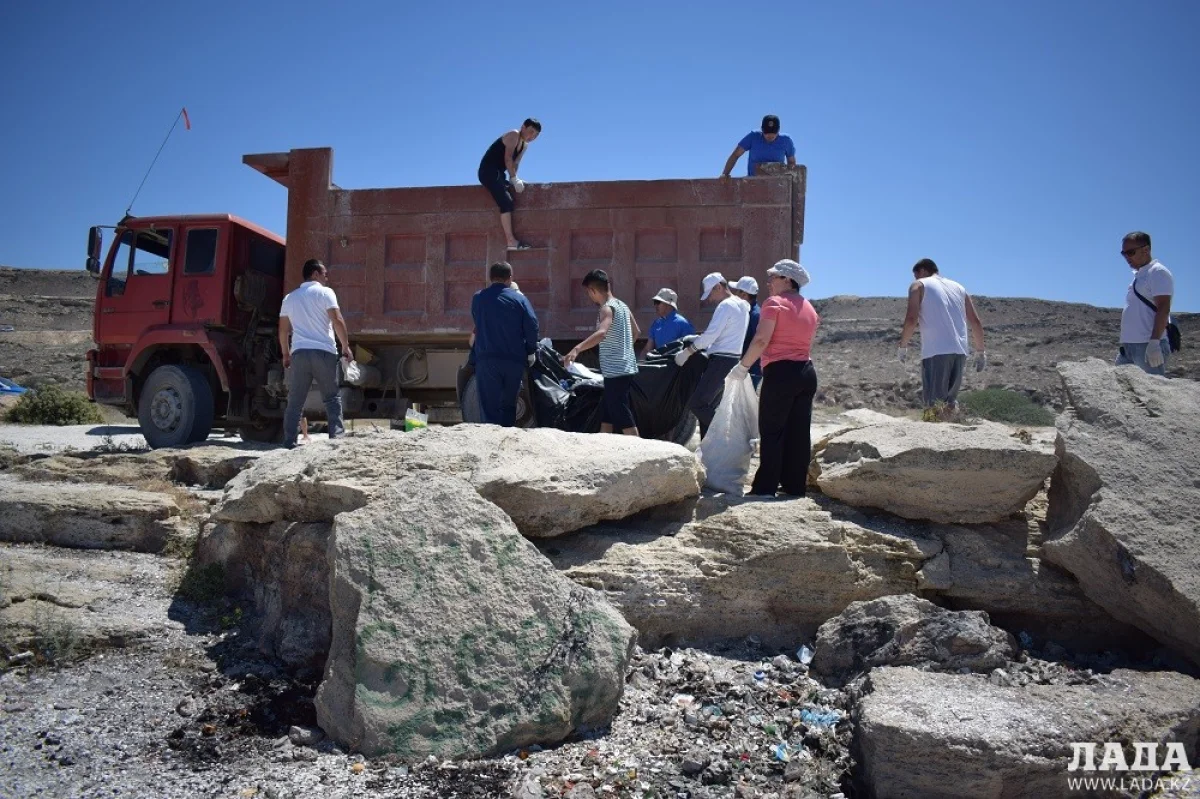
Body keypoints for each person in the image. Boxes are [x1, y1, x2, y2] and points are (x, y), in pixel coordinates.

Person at [736, 259, 820, 497]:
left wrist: (743, 367)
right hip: (806, 371)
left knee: (772, 430)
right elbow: (807, 344)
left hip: (780, 372)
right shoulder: (810, 308)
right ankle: (795, 486)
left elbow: (762, 340)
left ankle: (765, 487)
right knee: (799, 432)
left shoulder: (774, 303)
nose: (769, 282)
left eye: (773, 277)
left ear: (787, 279)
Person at [898, 258, 986, 416]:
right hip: (960, 352)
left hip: (936, 351)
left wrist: (902, 346)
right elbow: (975, 322)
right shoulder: (960, 288)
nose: (916, 279)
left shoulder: (919, 285)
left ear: (923, 270)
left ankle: (933, 437)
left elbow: (911, 319)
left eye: (916, 275)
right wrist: (981, 352)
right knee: (949, 404)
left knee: (934, 406)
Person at [279, 258, 352, 449]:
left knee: (295, 401)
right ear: (315, 274)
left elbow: (283, 330)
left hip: (299, 353)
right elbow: (337, 320)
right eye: (324, 273)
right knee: (331, 397)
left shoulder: (290, 298)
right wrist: (345, 346)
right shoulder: (325, 293)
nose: (327, 277)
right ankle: (336, 439)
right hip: (324, 352)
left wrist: (286, 354)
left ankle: (289, 442)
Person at [565, 269, 641, 436]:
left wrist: (577, 348)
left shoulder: (606, 309)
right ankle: (603, 443)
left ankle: (639, 447)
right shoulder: (622, 305)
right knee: (607, 412)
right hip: (625, 367)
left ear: (592, 290)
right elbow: (636, 332)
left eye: (588, 293)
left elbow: (602, 333)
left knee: (620, 411)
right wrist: (624, 350)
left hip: (616, 371)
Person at [674, 272, 750, 439]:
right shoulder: (743, 306)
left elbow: (711, 335)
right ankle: (709, 448)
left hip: (720, 361)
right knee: (709, 404)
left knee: (698, 404)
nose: (710, 299)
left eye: (711, 293)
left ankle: (729, 436)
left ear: (719, 287)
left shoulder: (725, 306)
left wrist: (688, 351)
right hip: (732, 360)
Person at [470, 262, 540, 426]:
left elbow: (477, 322)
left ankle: (490, 442)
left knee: (489, 407)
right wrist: (531, 351)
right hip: (513, 360)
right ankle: (506, 438)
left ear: (490, 278)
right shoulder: (520, 299)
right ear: (510, 278)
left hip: (487, 360)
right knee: (509, 405)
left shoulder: (478, 298)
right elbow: (532, 325)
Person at [478, 118, 542, 251]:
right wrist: (513, 178)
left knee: (511, 197)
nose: (532, 137)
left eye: (535, 135)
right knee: (506, 202)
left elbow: (515, 163)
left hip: (499, 174)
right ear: (523, 127)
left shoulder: (524, 145)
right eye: (530, 132)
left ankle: (511, 241)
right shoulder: (514, 134)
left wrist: (515, 179)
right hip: (488, 171)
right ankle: (511, 241)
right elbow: (508, 159)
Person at [1116, 231, 1175, 376]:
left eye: (1130, 252)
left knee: (1153, 393)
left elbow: (1163, 308)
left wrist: (1154, 343)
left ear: (1146, 250)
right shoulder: (1141, 275)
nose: (1126, 258)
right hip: (1129, 347)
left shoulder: (1157, 272)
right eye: (1123, 254)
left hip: (1147, 346)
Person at [721, 115, 796, 179]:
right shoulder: (753, 137)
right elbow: (735, 155)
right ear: (762, 129)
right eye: (767, 132)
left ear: (779, 129)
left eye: (773, 132)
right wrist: (725, 174)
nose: (770, 135)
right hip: (754, 183)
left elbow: (791, 162)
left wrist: (790, 182)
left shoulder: (786, 141)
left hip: (777, 184)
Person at [641, 287, 695, 358]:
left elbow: (691, 350)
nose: (655, 305)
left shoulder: (683, 324)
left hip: (677, 366)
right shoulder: (656, 324)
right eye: (655, 302)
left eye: (658, 302)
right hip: (659, 365)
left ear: (668, 304)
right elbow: (648, 348)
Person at [731, 276, 762, 388]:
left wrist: (743, 367)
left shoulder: (754, 315)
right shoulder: (749, 312)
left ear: (744, 295)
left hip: (749, 370)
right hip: (747, 369)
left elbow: (758, 343)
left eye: (737, 292)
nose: (734, 295)